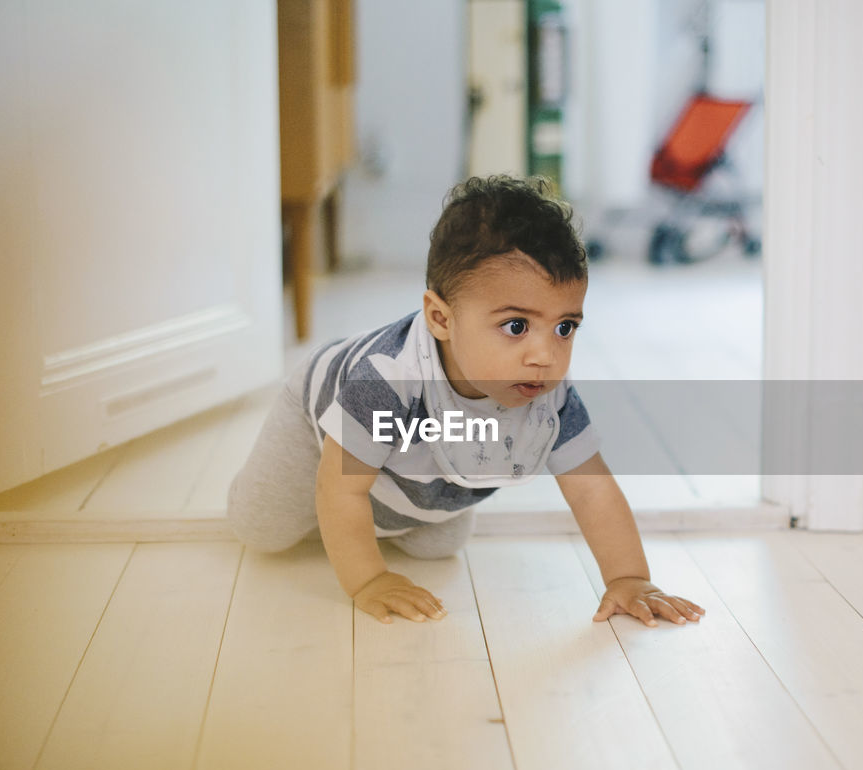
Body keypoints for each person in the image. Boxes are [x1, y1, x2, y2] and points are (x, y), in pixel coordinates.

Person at [228, 175, 704, 628]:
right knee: (263, 527)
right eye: (516, 326)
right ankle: (337, 522)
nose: (544, 355)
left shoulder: (547, 393)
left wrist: (628, 578)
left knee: (440, 542)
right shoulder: (388, 378)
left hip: (418, 458)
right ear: (440, 318)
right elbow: (342, 488)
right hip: (319, 425)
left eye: (565, 327)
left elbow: (592, 489)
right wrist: (369, 579)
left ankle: (370, 516)